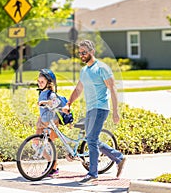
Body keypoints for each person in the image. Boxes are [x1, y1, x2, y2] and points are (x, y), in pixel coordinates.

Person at [63, 40, 126, 184]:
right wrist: (68, 103)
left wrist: (116, 111)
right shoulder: (84, 71)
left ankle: (93, 174)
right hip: (90, 109)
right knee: (93, 140)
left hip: (101, 108)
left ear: (92, 52)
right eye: (80, 53)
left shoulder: (102, 68)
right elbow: (78, 89)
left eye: (84, 52)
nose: (82, 55)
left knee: (91, 139)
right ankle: (119, 157)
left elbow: (113, 88)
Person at [35, 68, 61, 176]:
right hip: (43, 122)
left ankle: (53, 167)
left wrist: (45, 102)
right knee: (36, 143)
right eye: (38, 81)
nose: (39, 84)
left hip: (51, 123)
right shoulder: (41, 92)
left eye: (42, 82)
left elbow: (56, 102)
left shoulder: (50, 93)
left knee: (49, 146)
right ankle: (51, 164)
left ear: (48, 83)